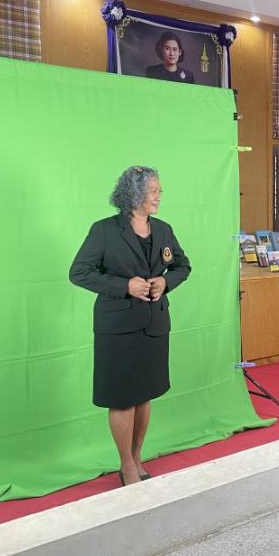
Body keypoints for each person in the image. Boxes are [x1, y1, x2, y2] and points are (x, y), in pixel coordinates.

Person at [69, 166, 191, 486]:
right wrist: (125, 286)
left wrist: (165, 282)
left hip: (154, 325)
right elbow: (79, 272)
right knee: (123, 397)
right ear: (134, 194)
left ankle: (137, 457)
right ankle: (126, 465)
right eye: (153, 191)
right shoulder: (104, 230)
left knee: (144, 394)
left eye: (159, 191)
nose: (159, 196)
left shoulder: (163, 229)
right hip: (118, 328)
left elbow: (182, 266)